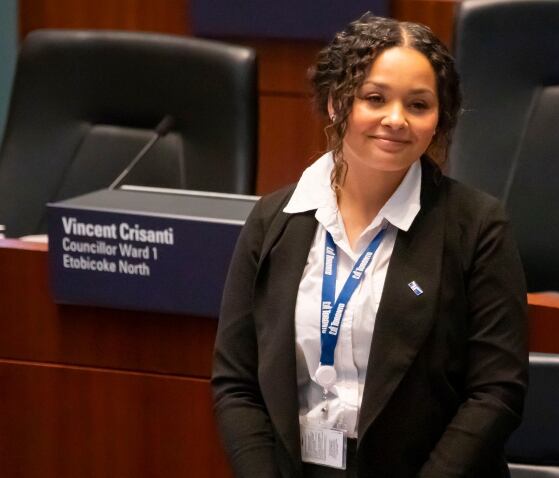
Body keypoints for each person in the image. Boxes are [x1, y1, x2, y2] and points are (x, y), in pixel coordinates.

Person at [211, 13, 528, 478]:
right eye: (375, 98)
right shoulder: (273, 220)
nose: (395, 120)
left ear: (438, 119)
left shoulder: (477, 227)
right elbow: (236, 383)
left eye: (419, 105)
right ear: (339, 103)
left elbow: (496, 393)